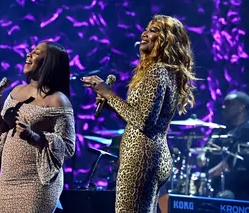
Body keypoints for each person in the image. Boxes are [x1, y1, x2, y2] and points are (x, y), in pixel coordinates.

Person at [81, 15, 197, 212]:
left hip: (140, 155)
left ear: (166, 39)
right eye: (146, 29)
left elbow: (143, 122)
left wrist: (108, 93)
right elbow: (142, 116)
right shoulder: (166, 71)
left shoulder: (157, 71)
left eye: (152, 30)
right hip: (153, 154)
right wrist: (111, 105)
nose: (144, 33)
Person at [0, 41, 76, 213]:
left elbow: (68, 148)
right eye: (30, 52)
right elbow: (1, 132)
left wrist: (35, 137)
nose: (28, 55)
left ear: (49, 62)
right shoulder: (16, 91)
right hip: (6, 181)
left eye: (35, 53)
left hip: (36, 184)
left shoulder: (58, 100)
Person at [200, 91, 249, 200]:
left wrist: (210, 174)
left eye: (228, 104)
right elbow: (205, 149)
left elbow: (233, 160)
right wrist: (201, 156)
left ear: (241, 107)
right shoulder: (219, 131)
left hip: (236, 189)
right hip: (212, 185)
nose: (223, 107)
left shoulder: (246, 131)